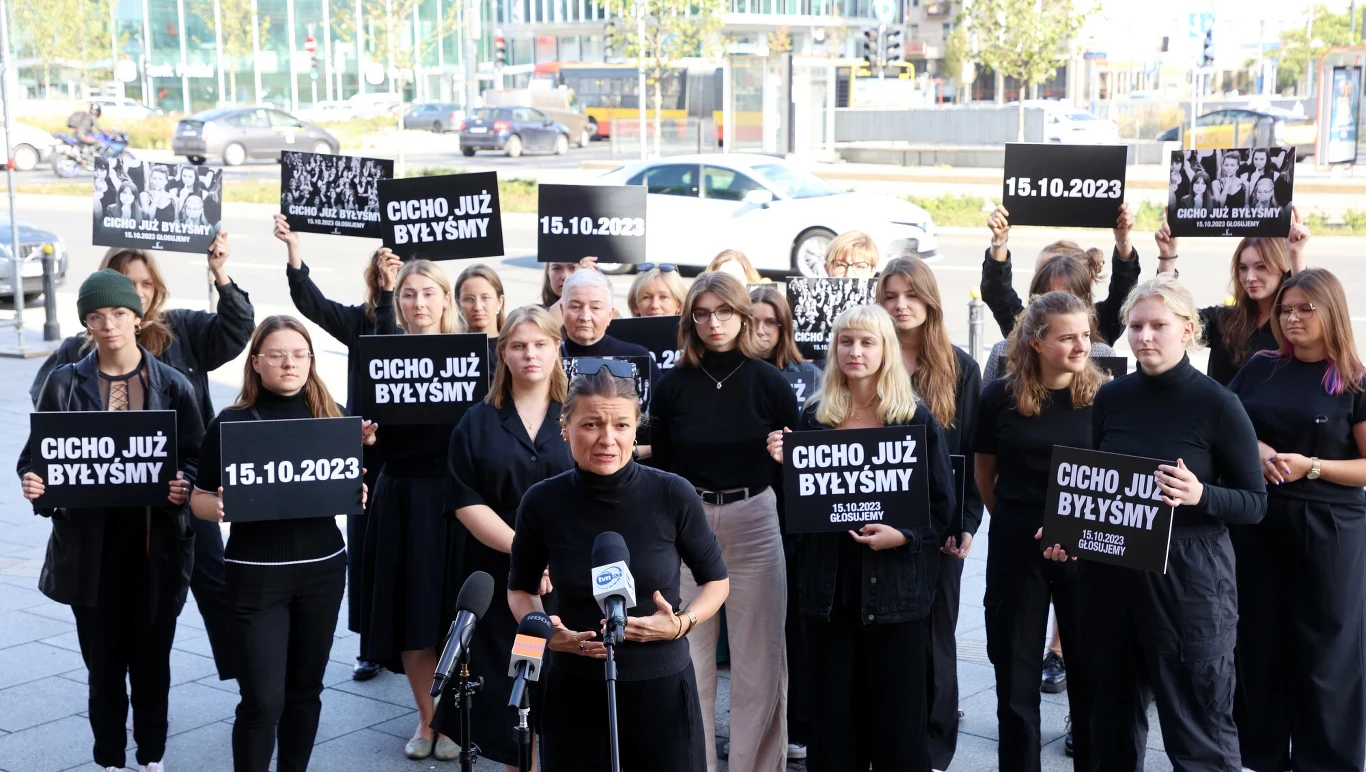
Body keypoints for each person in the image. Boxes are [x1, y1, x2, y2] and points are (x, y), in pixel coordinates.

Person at [1053, 275, 1266, 770]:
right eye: (1136, 326)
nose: (1145, 336)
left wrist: (1200, 494)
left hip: (1190, 580)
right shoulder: (1112, 397)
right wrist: (1069, 531)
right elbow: (1101, 488)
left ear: (1189, 328)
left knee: (1199, 726)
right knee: (1111, 720)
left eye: (1158, 326)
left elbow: (1255, 503)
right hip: (1112, 577)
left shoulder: (1218, 404)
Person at [31, 240, 255, 683]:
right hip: (110, 505)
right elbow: (47, 415)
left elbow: (236, 329)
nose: (138, 291)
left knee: (216, 584)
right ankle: (117, 689)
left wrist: (221, 275)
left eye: (146, 283)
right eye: (128, 283)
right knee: (111, 604)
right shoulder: (80, 349)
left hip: (180, 493)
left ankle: (251, 684)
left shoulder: (183, 329)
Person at [19, 269, 203, 772]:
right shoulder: (62, 384)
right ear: (86, 323)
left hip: (154, 549)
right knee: (102, 670)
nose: (109, 325)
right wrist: (36, 487)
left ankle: (151, 757)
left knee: (152, 667)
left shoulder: (172, 384)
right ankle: (109, 761)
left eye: (119, 313)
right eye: (96, 316)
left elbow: (195, 455)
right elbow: (37, 459)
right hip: (90, 552)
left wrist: (182, 485)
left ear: (138, 318)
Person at [507, 363, 730, 772]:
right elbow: (519, 589)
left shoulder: (672, 493)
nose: (607, 439)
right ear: (565, 427)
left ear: (635, 430)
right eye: (591, 424)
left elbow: (716, 581)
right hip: (573, 690)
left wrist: (682, 623)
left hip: (661, 689)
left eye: (621, 425)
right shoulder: (542, 502)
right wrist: (545, 634)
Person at [765, 304, 956, 772]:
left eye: (868, 342)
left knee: (898, 729)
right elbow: (796, 517)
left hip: (896, 596)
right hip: (829, 594)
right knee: (833, 729)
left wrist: (904, 536)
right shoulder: (813, 419)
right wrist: (787, 471)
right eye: (846, 342)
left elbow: (942, 511)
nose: (855, 351)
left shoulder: (915, 420)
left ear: (886, 349)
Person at [190, 315, 373, 772]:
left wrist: (357, 488)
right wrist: (219, 506)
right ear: (256, 363)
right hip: (255, 576)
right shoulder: (231, 423)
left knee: (305, 692)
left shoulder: (332, 417)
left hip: (323, 571)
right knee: (262, 700)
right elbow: (196, 497)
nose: (289, 363)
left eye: (298, 354)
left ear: (311, 361)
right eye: (276, 354)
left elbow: (347, 486)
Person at [647, 271, 798, 772]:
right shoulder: (670, 387)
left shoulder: (771, 383)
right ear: (690, 319)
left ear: (743, 315)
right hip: (688, 523)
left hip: (755, 517)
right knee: (688, 658)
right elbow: (664, 468)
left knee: (760, 661)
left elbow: (793, 473)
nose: (715, 322)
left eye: (725, 311)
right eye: (703, 312)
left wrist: (786, 457)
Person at [1227, 268, 1366, 772]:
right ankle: (1259, 756)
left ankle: (1327, 761)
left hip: (1330, 526)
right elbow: (1229, 425)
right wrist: (1259, 448)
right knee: (1258, 641)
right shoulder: (1261, 367)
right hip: (1260, 520)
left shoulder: (1354, 380)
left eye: (1305, 308)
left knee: (1327, 649)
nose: (1291, 318)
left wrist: (1312, 466)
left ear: (1331, 310)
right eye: (1286, 309)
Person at [434, 306, 573, 770]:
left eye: (540, 344)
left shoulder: (580, 413)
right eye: (518, 345)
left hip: (569, 571)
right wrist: (526, 554)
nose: (530, 354)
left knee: (564, 685)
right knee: (511, 683)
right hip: (500, 570)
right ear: (503, 354)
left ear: (557, 348)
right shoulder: (476, 421)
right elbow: (466, 500)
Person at [975, 292, 1102, 771]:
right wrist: (1015, 519)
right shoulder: (999, 396)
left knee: (1089, 679)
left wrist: (1075, 529)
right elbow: (984, 473)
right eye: (1067, 337)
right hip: (1017, 549)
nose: (1081, 345)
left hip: (1085, 553)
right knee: (1015, 680)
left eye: (1085, 335)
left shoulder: (1103, 397)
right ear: (1035, 342)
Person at [277, 214, 401, 681]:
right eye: (386, 273)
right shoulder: (362, 321)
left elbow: (397, 350)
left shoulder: (427, 332)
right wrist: (294, 251)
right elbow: (309, 301)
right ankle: (370, 643)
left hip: (414, 455)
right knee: (365, 548)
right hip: (367, 451)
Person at [877, 256, 982, 769]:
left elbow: (975, 452)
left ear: (930, 300)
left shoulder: (961, 367)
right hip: (876, 513)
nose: (900, 305)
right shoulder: (870, 357)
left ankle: (936, 747)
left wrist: (966, 523)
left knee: (938, 633)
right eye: (891, 296)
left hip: (940, 523)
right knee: (887, 635)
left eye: (911, 295)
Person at [363, 259, 465, 761]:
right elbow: (365, 436)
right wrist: (365, 437)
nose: (418, 303)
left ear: (446, 299)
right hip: (402, 497)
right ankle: (428, 719)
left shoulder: (474, 356)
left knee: (453, 612)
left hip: (457, 501)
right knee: (410, 611)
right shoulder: (381, 355)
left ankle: (452, 716)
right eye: (408, 294)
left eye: (428, 293)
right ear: (397, 300)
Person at [1154, 218, 1309, 385]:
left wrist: (1295, 255)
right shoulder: (1224, 320)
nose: (1250, 277)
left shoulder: (1292, 323)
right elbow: (1170, 316)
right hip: (1222, 411)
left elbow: (1309, 310)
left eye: (1261, 267)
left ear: (1281, 267)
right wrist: (1167, 257)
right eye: (1243, 268)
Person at [982, 202, 1139, 347]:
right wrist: (999, 239)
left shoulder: (1101, 324)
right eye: (1039, 274)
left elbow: (1124, 292)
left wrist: (1123, 238)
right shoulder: (1023, 325)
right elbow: (997, 292)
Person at [981, 255, 1122, 384]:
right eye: (1049, 297)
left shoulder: (1102, 354)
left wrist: (1123, 243)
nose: (1060, 304)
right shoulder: (1003, 352)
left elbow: (1122, 297)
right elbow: (997, 292)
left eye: (1069, 297)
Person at [559, 269, 662, 384]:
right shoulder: (548, 357)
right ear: (562, 310)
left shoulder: (636, 357)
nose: (585, 317)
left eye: (595, 308)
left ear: (610, 314)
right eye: (575, 307)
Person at [750, 285, 817, 374]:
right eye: (752, 321)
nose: (759, 331)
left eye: (770, 322)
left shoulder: (811, 375)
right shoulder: (728, 371)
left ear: (784, 327)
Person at [455, 263, 506, 336]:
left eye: (485, 298)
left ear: (499, 301)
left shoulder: (513, 343)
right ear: (458, 304)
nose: (477, 307)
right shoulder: (450, 345)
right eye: (469, 299)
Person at [541, 257, 597, 323]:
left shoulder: (603, 312)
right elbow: (548, 326)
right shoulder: (536, 314)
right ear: (548, 273)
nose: (565, 277)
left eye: (573, 268)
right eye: (557, 268)